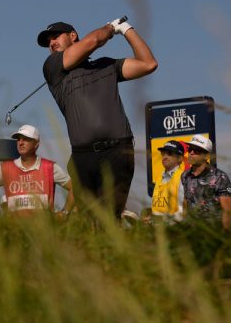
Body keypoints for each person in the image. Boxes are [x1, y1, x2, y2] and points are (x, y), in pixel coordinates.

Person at [38, 18, 157, 218]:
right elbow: (93, 41)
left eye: (55, 37)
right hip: (83, 157)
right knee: (88, 222)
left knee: (109, 219)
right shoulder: (53, 68)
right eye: (48, 42)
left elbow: (148, 64)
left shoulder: (106, 65)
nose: (51, 43)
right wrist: (111, 28)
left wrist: (126, 29)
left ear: (72, 36)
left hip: (118, 151)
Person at [0, 124, 75, 218]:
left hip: (44, 236)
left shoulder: (50, 167)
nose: (20, 142)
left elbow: (75, 188)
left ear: (36, 143)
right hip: (15, 233)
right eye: (18, 139)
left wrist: (64, 212)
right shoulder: (6, 168)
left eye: (26, 139)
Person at [181, 134, 231, 230]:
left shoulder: (220, 177)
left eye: (196, 150)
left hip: (212, 234)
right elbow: (186, 202)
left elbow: (227, 212)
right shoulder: (185, 176)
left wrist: (225, 238)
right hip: (191, 233)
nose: (191, 152)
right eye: (190, 149)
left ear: (206, 155)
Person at [151, 140, 186, 221]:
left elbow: (184, 209)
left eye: (169, 153)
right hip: (158, 229)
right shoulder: (159, 177)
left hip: (175, 228)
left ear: (180, 158)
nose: (165, 156)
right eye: (163, 153)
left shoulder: (183, 177)